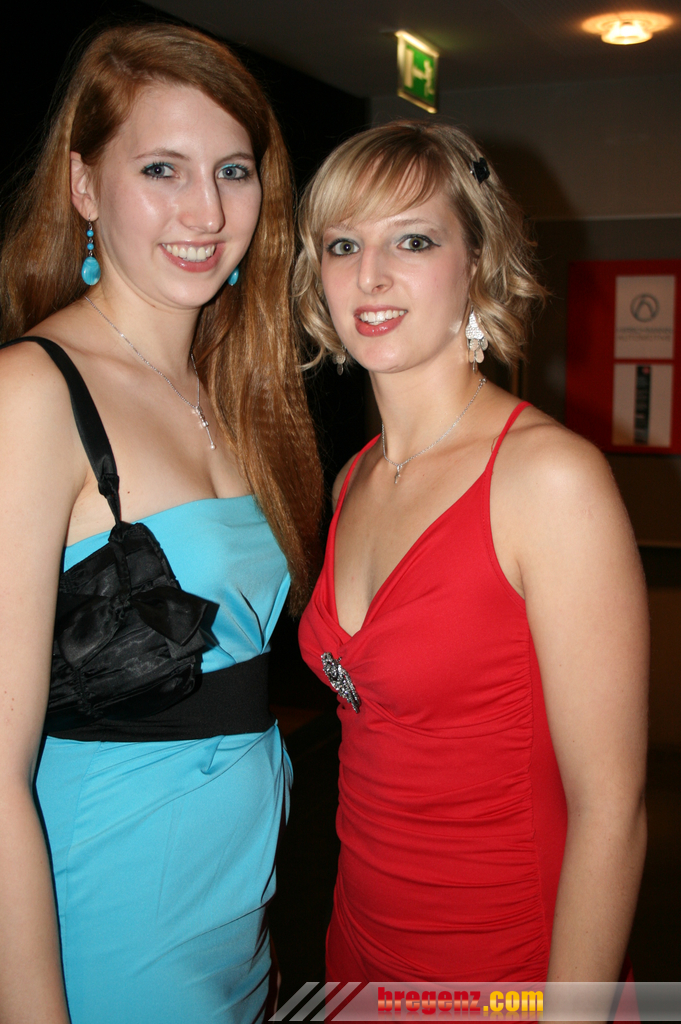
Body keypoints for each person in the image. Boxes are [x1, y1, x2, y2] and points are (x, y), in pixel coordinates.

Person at [0, 22, 321, 1024]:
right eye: (161, 169)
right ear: (84, 186)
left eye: (233, 170)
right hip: (108, 917)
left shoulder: (233, 391)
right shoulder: (31, 396)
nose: (207, 211)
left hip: (237, 921)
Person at [296, 121, 648, 990]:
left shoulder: (548, 480)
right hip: (357, 949)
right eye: (343, 244)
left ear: (476, 262)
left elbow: (611, 812)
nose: (369, 275)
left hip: (501, 969)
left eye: (412, 240)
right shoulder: (353, 478)